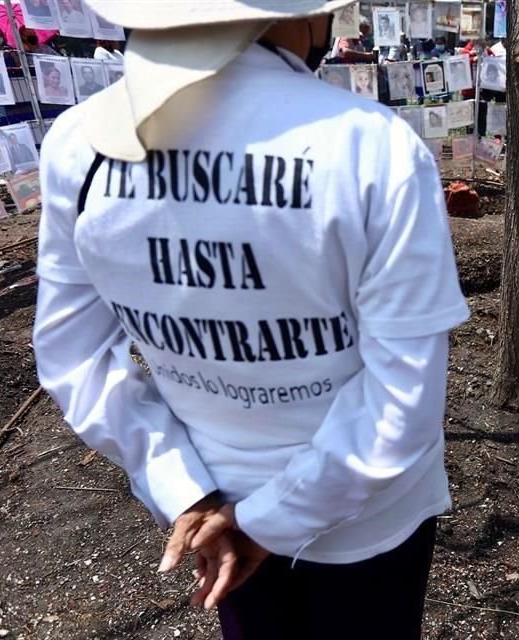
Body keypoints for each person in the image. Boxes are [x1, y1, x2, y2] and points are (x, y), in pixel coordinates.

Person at [33, 1, 469, 638]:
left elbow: (71, 360)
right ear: (303, 17)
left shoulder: (80, 146)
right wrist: (268, 520)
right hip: (367, 524)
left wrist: (180, 485)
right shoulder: (371, 145)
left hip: (209, 512)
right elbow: (402, 400)